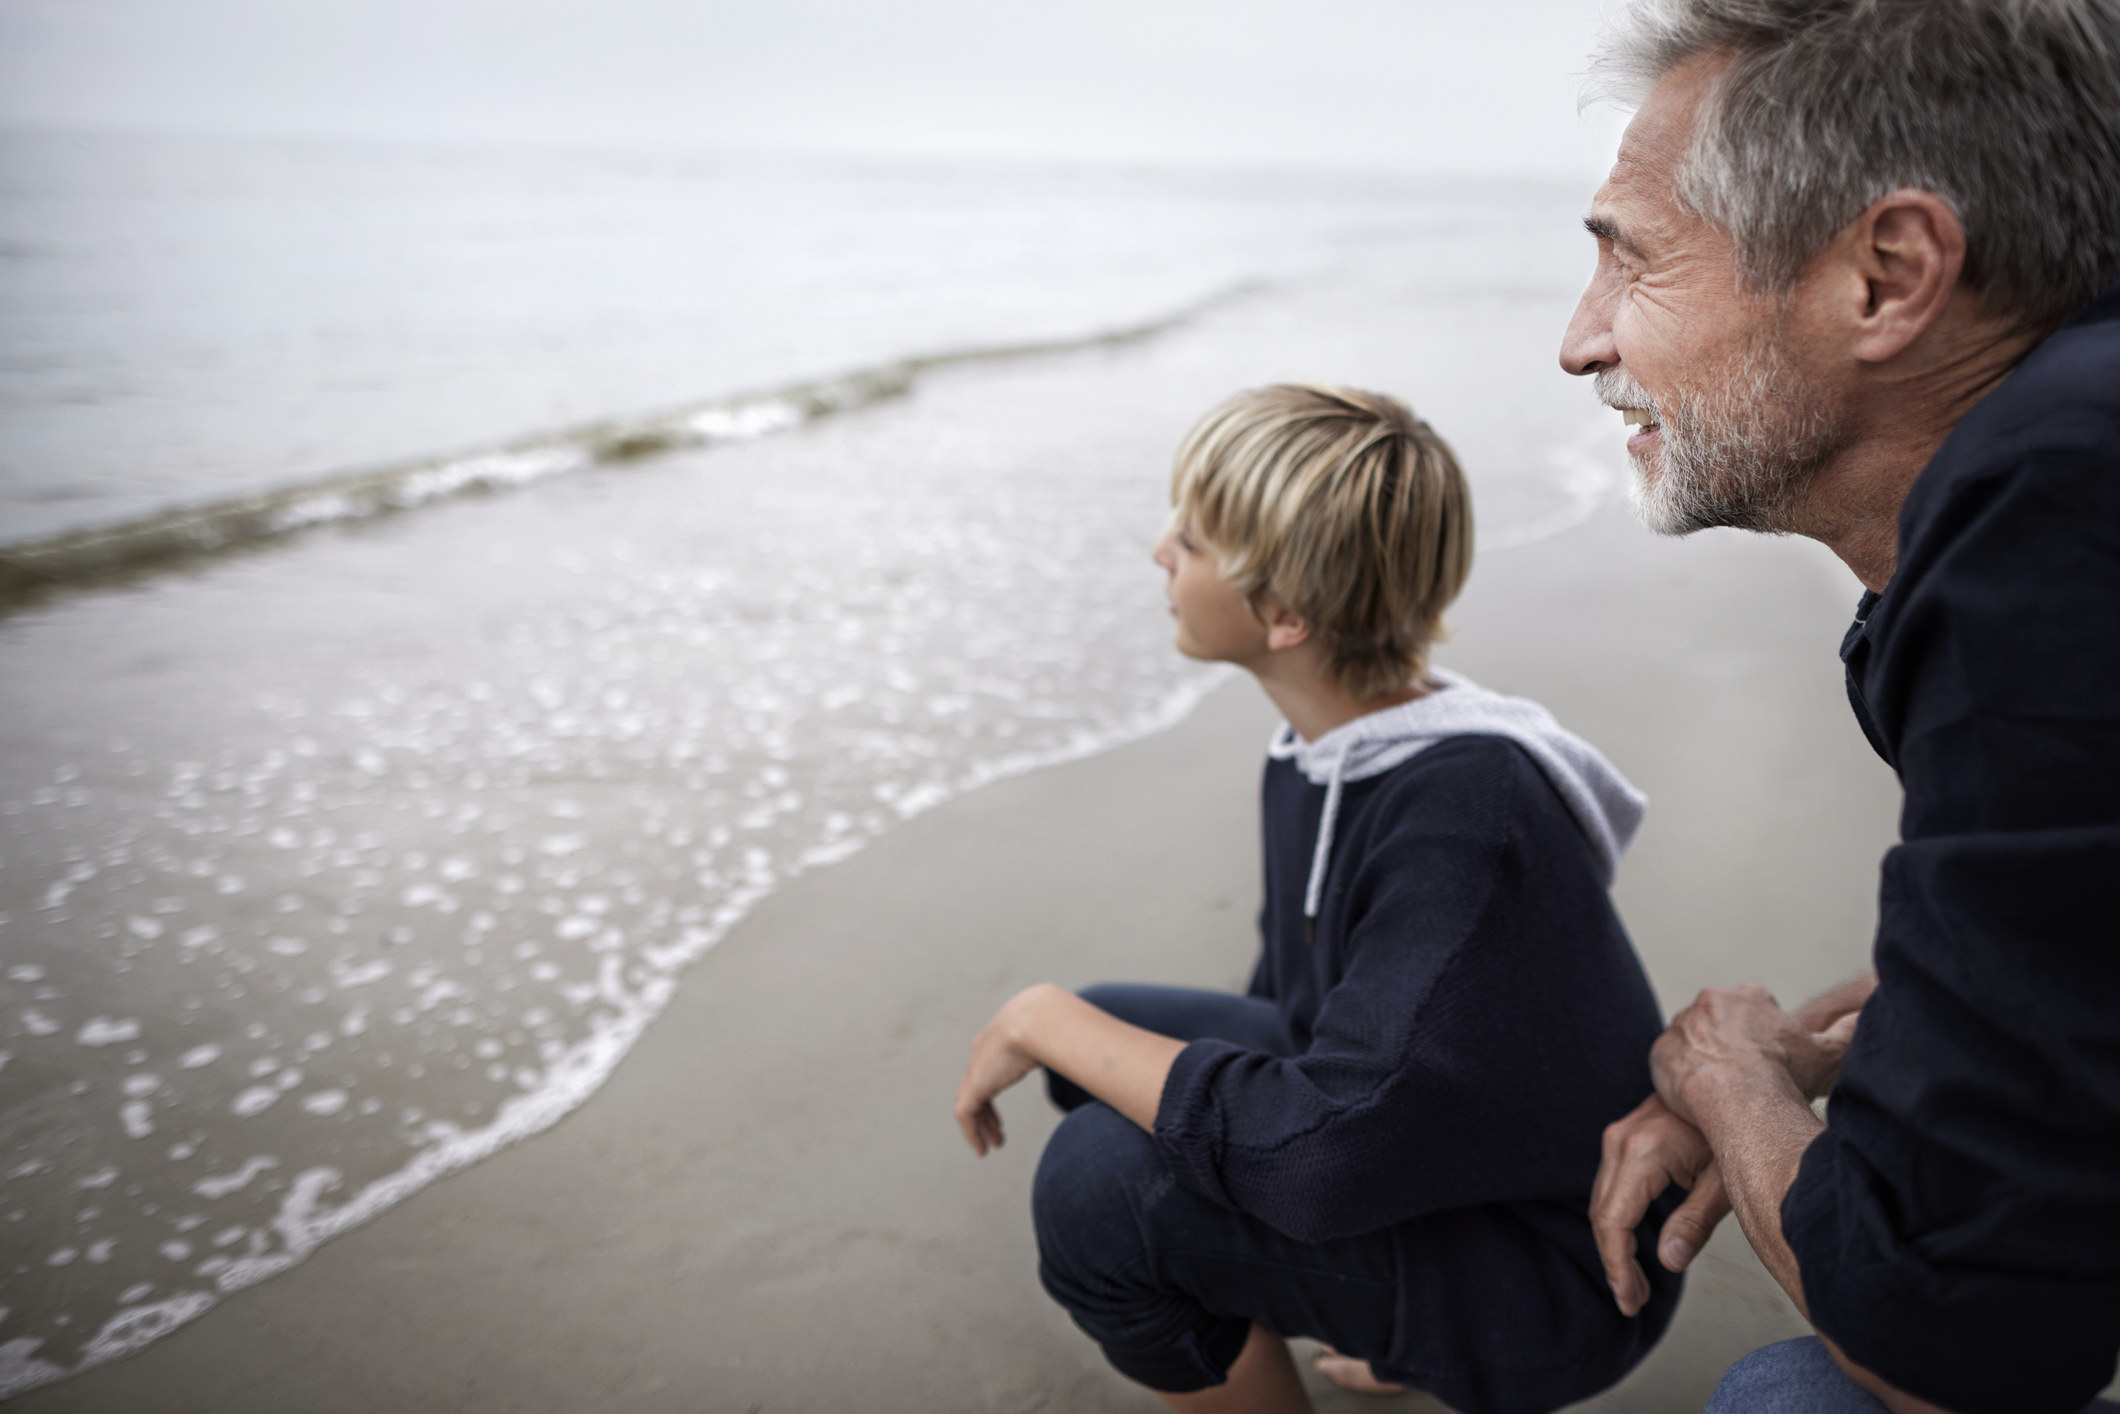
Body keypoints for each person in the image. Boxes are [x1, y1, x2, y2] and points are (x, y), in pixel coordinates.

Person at [1557, 2, 2120, 1411]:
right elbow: (2071, 931)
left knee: (1789, 1397)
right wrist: (1816, 1053)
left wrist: (1734, 1081)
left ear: (1887, 274)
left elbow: (1939, 1338)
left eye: (1633, 259)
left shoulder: (2057, 514)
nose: (1582, 344)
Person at [952, 384, 1680, 1414]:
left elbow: (1321, 1157)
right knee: (1104, 1040)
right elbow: (1304, 1011)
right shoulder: (1325, 747)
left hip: (1558, 1276)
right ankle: (1361, 1318)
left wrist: (1037, 1014)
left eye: (1192, 538)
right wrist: (1072, 1029)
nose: (1161, 551)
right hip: (1436, 1154)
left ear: (1286, 613)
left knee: (1099, 1183)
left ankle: (1413, 1332)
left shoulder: (1463, 811)